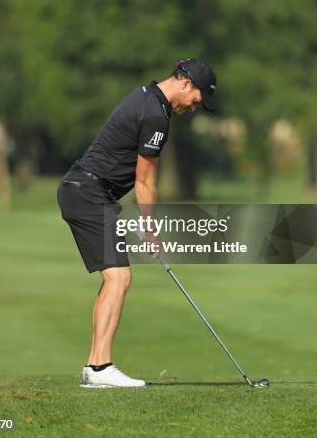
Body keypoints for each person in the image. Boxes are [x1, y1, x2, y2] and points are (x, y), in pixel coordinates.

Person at [57, 58, 216, 388]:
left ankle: (94, 366)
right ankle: (101, 368)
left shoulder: (146, 96)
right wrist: (150, 230)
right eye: (198, 100)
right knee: (120, 277)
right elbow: (145, 182)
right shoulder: (156, 115)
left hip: (84, 190)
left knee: (114, 278)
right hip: (89, 192)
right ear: (186, 84)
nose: (195, 108)